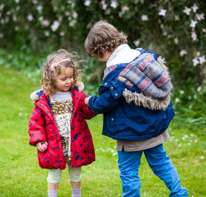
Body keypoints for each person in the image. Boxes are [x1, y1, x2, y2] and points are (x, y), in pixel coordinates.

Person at [84, 20, 188, 197]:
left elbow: (105, 103)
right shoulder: (142, 56)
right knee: (161, 162)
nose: (99, 60)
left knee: (128, 171)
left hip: (130, 132)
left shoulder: (116, 73)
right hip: (154, 126)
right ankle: (179, 193)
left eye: (97, 56)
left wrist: (89, 101)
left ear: (102, 50)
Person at [28, 49, 96, 197]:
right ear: (52, 79)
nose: (69, 81)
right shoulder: (45, 100)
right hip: (54, 143)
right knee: (54, 174)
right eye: (64, 78)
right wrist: (39, 139)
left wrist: (93, 106)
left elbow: (86, 112)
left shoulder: (76, 95)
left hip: (75, 141)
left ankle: (76, 195)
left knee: (76, 172)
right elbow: (35, 122)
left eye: (71, 77)